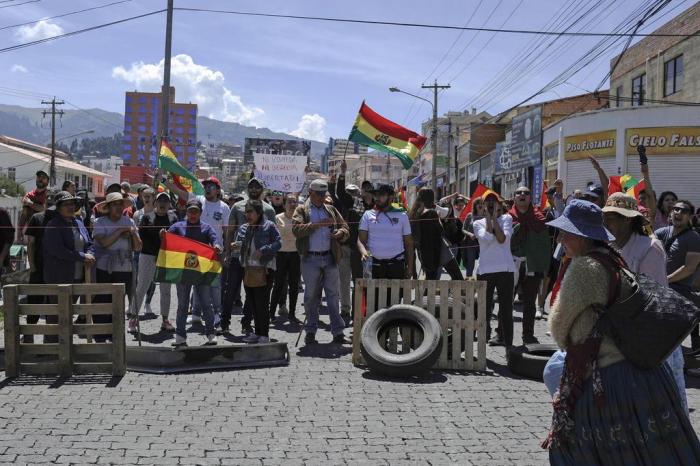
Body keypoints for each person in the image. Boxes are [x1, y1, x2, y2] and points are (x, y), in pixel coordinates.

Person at [541, 199, 700, 463]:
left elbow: (558, 330)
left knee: (578, 448)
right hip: (641, 375)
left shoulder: (584, 268)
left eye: (566, 233)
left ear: (581, 236)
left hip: (609, 378)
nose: (560, 239)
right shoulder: (614, 258)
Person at [293, 179, 350, 345]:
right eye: (318, 194)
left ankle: (338, 332)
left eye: (323, 194)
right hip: (310, 258)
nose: (321, 197)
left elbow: (346, 227)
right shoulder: (302, 209)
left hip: (330, 257)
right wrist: (317, 225)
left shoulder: (331, 209)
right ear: (310, 192)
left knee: (333, 296)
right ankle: (310, 331)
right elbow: (296, 230)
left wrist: (340, 233)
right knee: (311, 297)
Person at [222, 178, 276, 334]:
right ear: (247, 188)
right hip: (237, 255)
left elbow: (273, 235)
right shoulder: (237, 207)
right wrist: (227, 252)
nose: (253, 189)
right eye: (251, 186)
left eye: (257, 186)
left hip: (257, 259)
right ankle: (224, 322)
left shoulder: (269, 210)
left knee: (252, 292)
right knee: (231, 289)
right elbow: (230, 231)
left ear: (262, 189)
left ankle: (247, 323)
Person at [43, 191, 96, 343]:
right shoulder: (53, 225)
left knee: (70, 313)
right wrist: (82, 256)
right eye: (66, 204)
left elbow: (90, 243)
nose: (71, 207)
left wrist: (89, 253)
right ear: (58, 207)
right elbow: (57, 250)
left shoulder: (78, 222)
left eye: (72, 204)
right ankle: (51, 349)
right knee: (57, 314)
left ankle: (66, 348)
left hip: (78, 276)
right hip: (58, 277)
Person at [167, 199, 221, 347]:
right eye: (190, 211)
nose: (192, 214)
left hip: (202, 272)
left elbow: (214, 240)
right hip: (183, 273)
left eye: (195, 211)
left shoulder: (207, 228)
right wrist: (162, 236)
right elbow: (167, 241)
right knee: (183, 305)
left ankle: (211, 333)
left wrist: (216, 246)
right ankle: (180, 336)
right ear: (186, 211)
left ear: (200, 213)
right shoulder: (177, 227)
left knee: (206, 303)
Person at [92, 192, 142, 341]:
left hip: (124, 268)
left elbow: (138, 247)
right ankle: (100, 335)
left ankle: (116, 335)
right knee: (103, 301)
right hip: (104, 267)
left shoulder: (129, 221)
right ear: (108, 207)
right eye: (115, 204)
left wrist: (133, 234)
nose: (118, 207)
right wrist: (120, 231)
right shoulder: (100, 222)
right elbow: (104, 243)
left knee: (118, 303)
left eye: (120, 204)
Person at [129, 191, 178, 333]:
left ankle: (165, 319)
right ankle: (133, 318)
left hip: (167, 257)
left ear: (169, 204)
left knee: (166, 290)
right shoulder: (146, 217)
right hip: (148, 255)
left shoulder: (174, 218)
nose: (163, 203)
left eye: (166, 201)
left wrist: (167, 238)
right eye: (160, 201)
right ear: (155, 203)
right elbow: (143, 237)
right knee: (142, 286)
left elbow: (178, 235)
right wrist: (158, 238)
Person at [233, 200, 282, 343]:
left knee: (262, 303)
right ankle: (257, 332)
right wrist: (237, 246)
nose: (247, 215)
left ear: (258, 212)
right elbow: (241, 245)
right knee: (252, 303)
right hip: (248, 269)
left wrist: (263, 250)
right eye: (246, 212)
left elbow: (278, 243)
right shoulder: (244, 228)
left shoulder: (269, 226)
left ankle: (264, 334)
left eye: (250, 212)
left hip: (264, 269)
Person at [656, 199, 700, 349]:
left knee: (670, 336)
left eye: (684, 211)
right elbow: (646, 239)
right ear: (670, 212)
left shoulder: (693, 238)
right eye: (676, 209)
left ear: (690, 217)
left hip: (679, 291)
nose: (678, 213)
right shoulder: (663, 232)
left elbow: (689, 268)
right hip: (660, 288)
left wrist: (665, 280)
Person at [473, 192, 515, 348]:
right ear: (482, 206)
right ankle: (484, 341)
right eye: (487, 202)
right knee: (484, 309)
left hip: (505, 269)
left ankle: (508, 344)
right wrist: (489, 218)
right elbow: (488, 238)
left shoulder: (507, 218)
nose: (490, 204)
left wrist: (495, 219)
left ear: (499, 204)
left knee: (506, 309)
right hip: (485, 271)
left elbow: (502, 239)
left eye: (493, 201)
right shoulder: (477, 223)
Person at [509, 186, 551, 345]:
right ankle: (502, 335)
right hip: (511, 264)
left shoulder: (539, 218)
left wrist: (543, 266)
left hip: (532, 265)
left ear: (530, 198)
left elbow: (544, 245)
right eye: (518, 192)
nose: (522, 195)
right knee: (507, 301)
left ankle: (528, 335)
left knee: (529, 303)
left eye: (526, 193)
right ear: (514, 197)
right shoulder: (508, 217)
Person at [359, 184, 414, 279]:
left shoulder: (402, 215)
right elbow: (360, 240)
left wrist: (410, 267)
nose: (377, 198)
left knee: (396, 294)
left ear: (391, 197)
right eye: (376, 195)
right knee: (373, 294)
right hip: (374, 265)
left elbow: (409, 243)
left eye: (381, 195)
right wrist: (363, 252)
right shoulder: (367, 215)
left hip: (396, 265)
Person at [23, 190, 57, 343]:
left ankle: (49, 339)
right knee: (34, 304)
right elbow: (30, 244)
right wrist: (33, 266)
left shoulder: (61, 220)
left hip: (55, 270)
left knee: (52, 305)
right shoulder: (36, 218)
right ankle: (29, 335)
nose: (50, 205)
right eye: (48, 202)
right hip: (39, 267)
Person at [409, 187, 463, 280]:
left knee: (430, 283)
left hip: (425, 253)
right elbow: (441, 231)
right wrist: (439, 219)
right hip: (441, 250)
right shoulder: (431, 213)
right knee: (458, 278)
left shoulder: (414, 214)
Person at [270, 194, 302, 324]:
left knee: (294, 286)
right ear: (284, 204)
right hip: (281, 255)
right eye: (290, 202)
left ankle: (292, 314)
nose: (292, 204)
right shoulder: (277, 218)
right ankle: (271, 313)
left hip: (295, 254)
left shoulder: (300, 219)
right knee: (278, 285)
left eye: (295, 202)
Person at [19, 170, 49, 242]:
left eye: (43, 177)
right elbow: (24, 214)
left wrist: (30, 203)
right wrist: (20, 230)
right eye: (39, 177)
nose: (40, 179)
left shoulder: (50, 195)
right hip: (31, 232)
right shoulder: (29, 195)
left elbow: (44, 209)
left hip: (46, 232)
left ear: (47, 181)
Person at [462, 198, 484, 278]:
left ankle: (481, 282)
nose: (480, 205)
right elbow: (463, 229)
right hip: (471, 243)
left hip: (483, 243)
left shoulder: (487, 216)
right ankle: (468, 282)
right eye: (478, 203)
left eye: (482, 203)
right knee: (470, 263)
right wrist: (470, 234)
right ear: (475, 205)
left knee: (483, 263)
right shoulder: (470, 215)